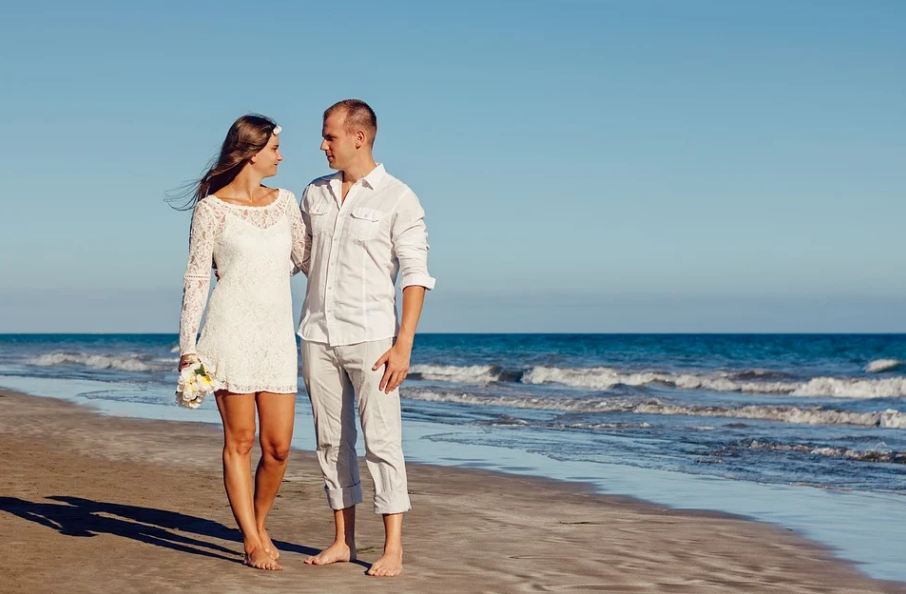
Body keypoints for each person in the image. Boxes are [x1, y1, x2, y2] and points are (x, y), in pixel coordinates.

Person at [298, 99, 435, 577]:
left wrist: (404, 343)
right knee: (330, 442)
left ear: (359, 137)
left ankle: (393, 546)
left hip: (374, 339)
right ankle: (342, 540)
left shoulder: (399, 197)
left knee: (382, 442)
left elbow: (415, 274)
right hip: (316, 334)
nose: (322, 145)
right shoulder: (313, 193)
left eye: (329, 136)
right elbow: (299, 257)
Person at [177, 114, 309, 571]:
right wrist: (187, 349)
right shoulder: (211, 209)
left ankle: (258, 520)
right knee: (241, 439)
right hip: (228, 331)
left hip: (275, 336)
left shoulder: (287, 202)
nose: (281, 156)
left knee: (278, 448)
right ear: (252, 153)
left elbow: (304, 260)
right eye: (275, 148)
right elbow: (196, 277)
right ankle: (252, 539)